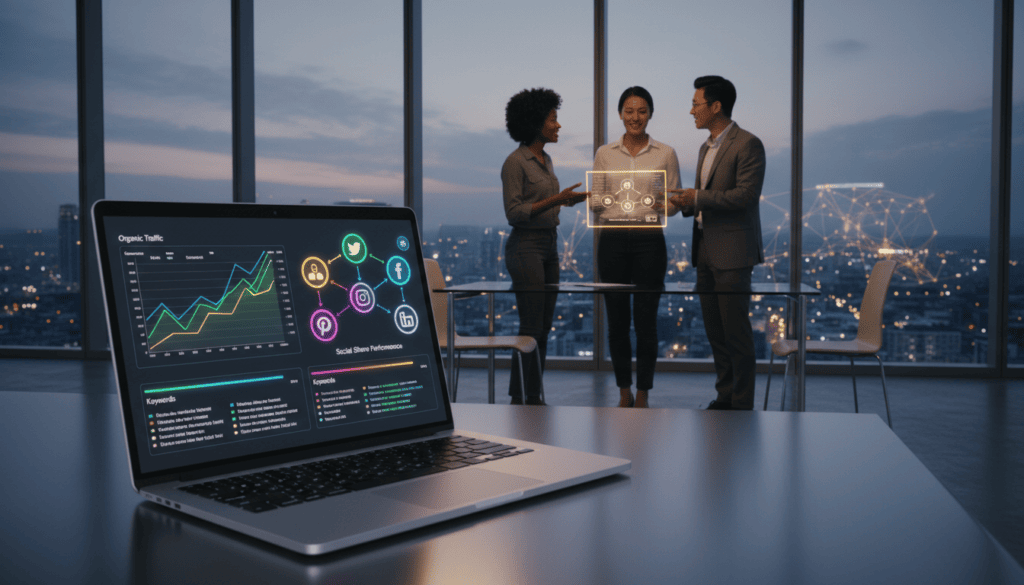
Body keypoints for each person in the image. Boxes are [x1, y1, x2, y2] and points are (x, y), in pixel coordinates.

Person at [669, 75, 766, 411]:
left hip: (733, 253)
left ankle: (742, 403)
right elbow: (706, 199)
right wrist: (688, 203)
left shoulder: (748, 144)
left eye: (696, 104)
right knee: (715, 331)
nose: (691, 110)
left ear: (715, 106)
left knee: (736, 333)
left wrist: (698, 197)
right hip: (705, 251)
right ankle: (725, 396)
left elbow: (745, 197)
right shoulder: (704, 147)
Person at [592, 86, 681, 408]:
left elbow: (673, 204)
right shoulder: (605, 153)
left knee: (646, 321)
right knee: (616, 322)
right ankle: (623, 392)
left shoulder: (665, 153)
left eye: (641, 111)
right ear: (620, 114)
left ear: (650, 114)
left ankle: (643, 393)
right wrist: (607, 202)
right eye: (629, 111)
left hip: (649, 239)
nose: (635, 117)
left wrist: (663, 204)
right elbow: (597, 205)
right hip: (612, 239)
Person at [501, 87, 588, 405]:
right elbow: (514, 213)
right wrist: (556, 198)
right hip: (526, 248)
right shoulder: (515, 163)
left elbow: (542, 205)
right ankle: (519, 397)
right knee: (531, 325)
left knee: (545, 326)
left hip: (549, 245)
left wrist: (568, 202)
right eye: (553, 119)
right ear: (537, 122)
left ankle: (533, 395)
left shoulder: (545, 159)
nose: (558, 125)